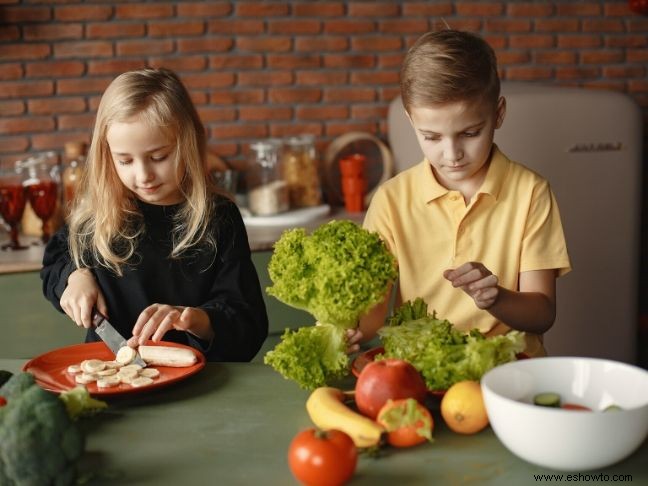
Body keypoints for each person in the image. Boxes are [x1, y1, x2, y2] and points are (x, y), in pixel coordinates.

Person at [353, 30, 571, 357]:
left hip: (509, 369)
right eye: (431, 137)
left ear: (498, 114)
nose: (452, 154)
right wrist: (348, 328)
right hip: (418, 369)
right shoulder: (391, 201)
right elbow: (370, 314)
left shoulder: (530, 193)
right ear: (411, 121)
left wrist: (496, 296)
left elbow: (542, 314)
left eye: (470, 133)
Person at [41, 68, 268, 362]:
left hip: (200, 384)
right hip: (111, 377)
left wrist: (194, 320)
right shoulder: (96, 214)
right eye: (125, 161)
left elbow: (247, 323)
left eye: (159, 157)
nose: (143, 175)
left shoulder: (218, 218)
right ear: (107, 155)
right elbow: (55, 261)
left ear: (188, 142)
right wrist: (74, 277)